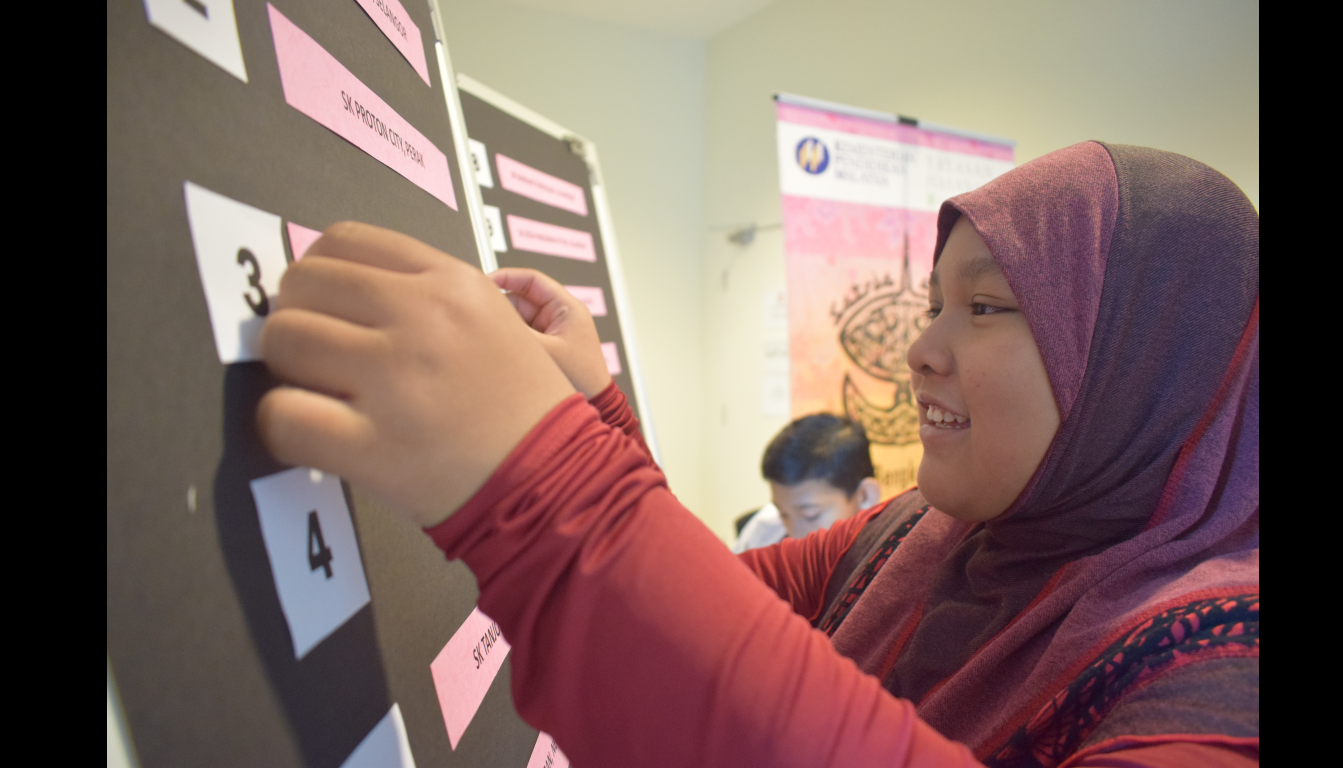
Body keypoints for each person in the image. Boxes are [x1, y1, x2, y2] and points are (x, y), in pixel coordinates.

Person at [256, 141, 1258, 767]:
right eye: (934, 305)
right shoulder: (922, 534)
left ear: (1147, 364)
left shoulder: (1219, 672)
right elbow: (709, 611)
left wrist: (548, 481)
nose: (921, 348)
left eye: (986, 306)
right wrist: (591, 417)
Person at [734, 415, 881, 553]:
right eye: (783, 515)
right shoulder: (762, 532)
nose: (793, 536)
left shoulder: (887, 561)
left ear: (865, 496)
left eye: (811, 515)